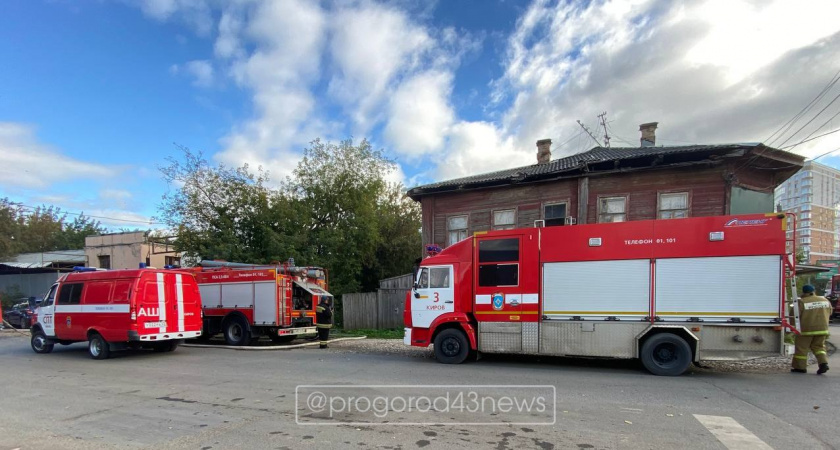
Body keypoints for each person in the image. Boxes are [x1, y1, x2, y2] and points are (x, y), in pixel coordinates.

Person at [791, 285, 831, 375]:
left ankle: (800, 368)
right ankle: (823, 363)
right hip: (822, 329)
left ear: (803, 292)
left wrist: (792, 327)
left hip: (806, 330)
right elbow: (830, 312)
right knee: (819, 347)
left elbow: (794, 316)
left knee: (801, 349)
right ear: (814, 291)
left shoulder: (801, 302)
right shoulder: (825, 300)